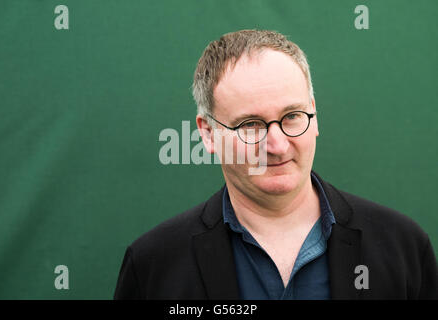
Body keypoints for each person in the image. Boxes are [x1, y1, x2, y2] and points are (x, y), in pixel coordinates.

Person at [114, 30, 438, 299]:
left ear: (314, 114)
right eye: (251, 125)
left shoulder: (404, 249)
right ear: (208, 134)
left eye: (292, 116)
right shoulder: (153, 267)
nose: (277, 145)